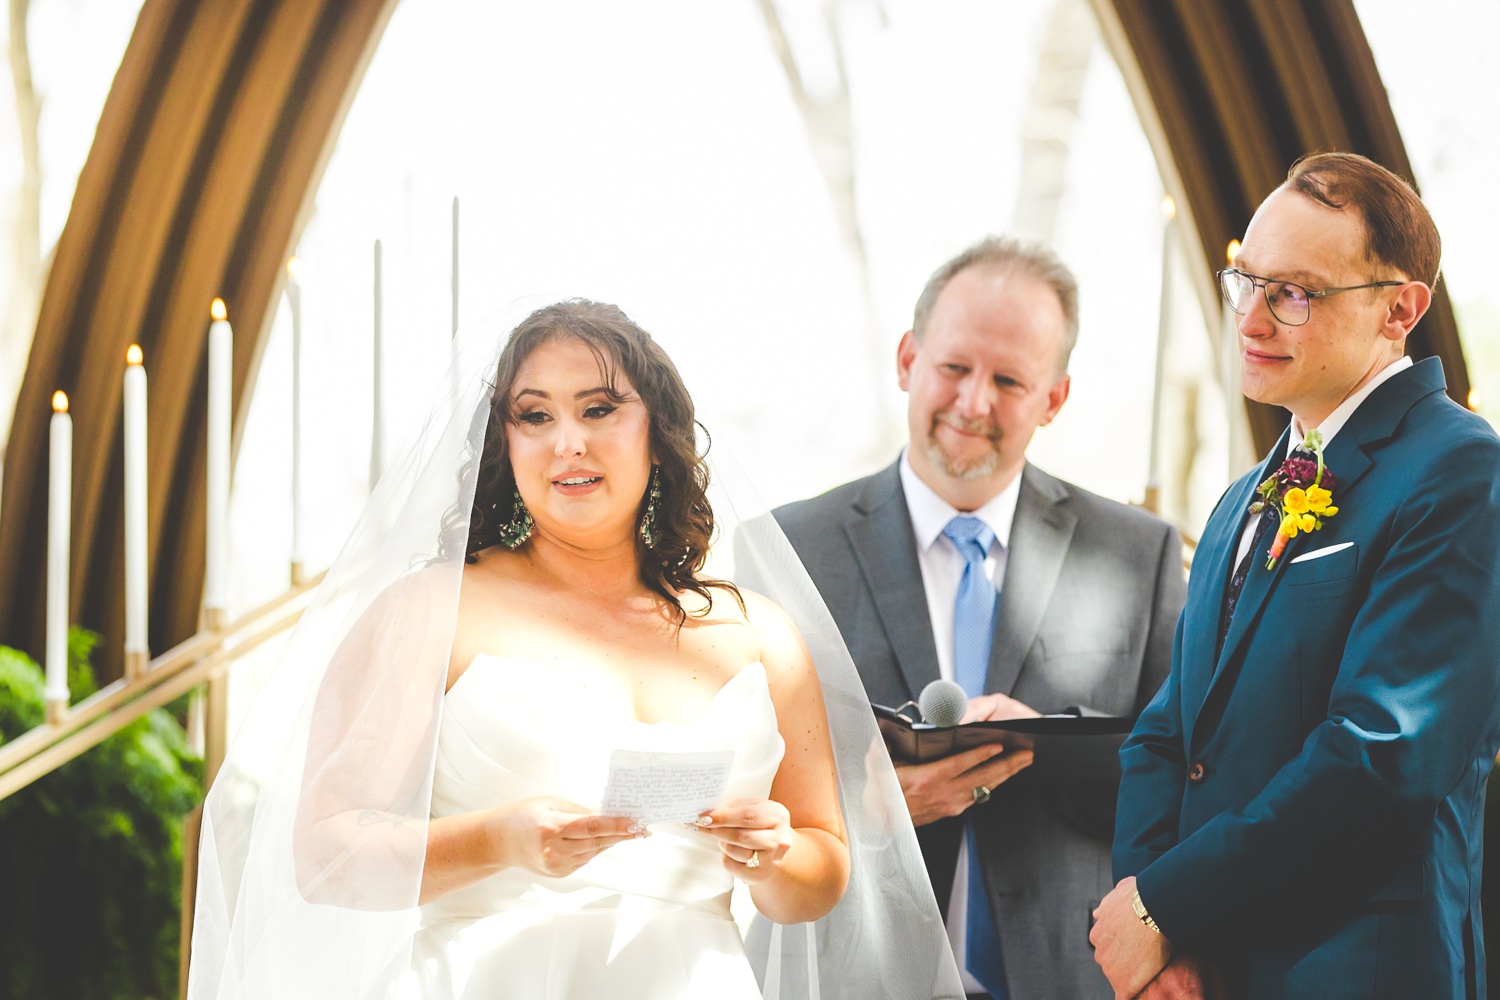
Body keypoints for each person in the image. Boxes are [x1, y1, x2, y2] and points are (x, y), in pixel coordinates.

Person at [187, 300, 966, 999]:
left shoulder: (758, 635)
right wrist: (501, 839)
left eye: (598, 409)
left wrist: (772, 853)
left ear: (657, 436)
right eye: (535, 416)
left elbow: (819, 876)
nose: (568, 442)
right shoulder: (433, 611)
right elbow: (324, 858)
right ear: (505, 442)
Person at [1091, 152, 1500, 1000]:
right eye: (1247, 280)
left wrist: (1168, 905)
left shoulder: (1463, 473)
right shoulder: (1246, 493)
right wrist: (1158, 931)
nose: (1251, 318)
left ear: (1400, 309)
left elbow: (1381, 756)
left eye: (1297, 293)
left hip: (1357, 971)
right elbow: (1170, 737)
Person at [772, 238, 1186, 1000]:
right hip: (856, 975)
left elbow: (1182, 781)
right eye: (955, 368)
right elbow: (749, 790)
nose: (974, 403)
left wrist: (1045, 743)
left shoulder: (1139, 553)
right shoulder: (790, 549)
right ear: (907, 359)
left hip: (1072, 977)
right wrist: (873, 809)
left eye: (1009, 380)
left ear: (1054, 399)